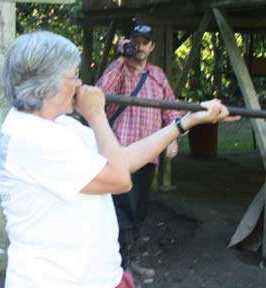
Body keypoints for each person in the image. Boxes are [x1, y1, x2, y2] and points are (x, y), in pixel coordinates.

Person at [0, 30, 234, 288]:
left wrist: (187, 121)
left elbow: (123, 158)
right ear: (47, 83)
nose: (79, 84)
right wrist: (96, 115)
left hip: (97, 278)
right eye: (73, 75)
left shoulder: (60, 125)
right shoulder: (31, 137)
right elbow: (120, 179)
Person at [96, 24, 180, 276]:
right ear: (127, 42)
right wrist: (121, 57)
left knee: (138, 209)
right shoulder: (118, 69)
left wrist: (174, 137)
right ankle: (119, 266)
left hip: (149, 156)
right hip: (120, 155)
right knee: (119, 210)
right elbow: (99, 94)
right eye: (136, 42)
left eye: (145, 42)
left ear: (152, 46)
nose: (140, 47)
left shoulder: (157, 75)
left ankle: (127, 261)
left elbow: (171, 106)